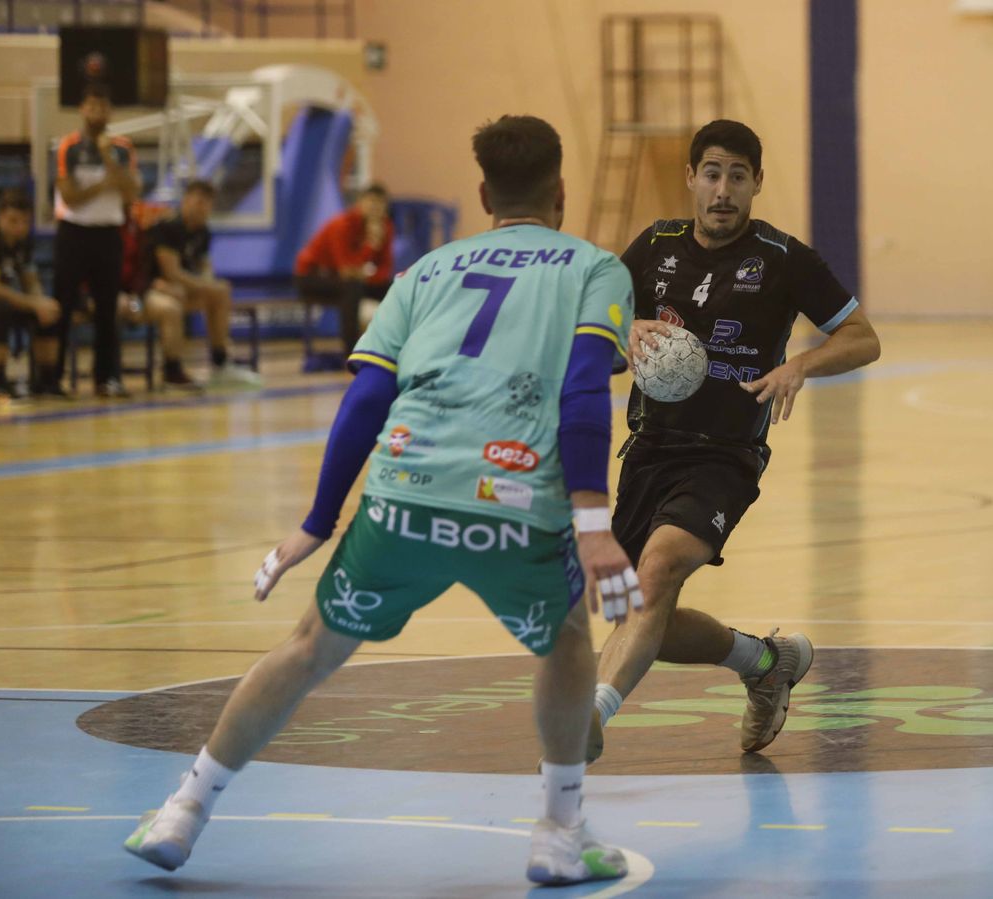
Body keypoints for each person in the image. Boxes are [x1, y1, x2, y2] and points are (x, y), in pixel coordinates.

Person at [123, 114, 641, 887]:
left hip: (402, 495)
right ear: (561, 191)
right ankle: (559, 834)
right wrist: (594, 525)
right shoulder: (597, 269)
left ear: (482, 194)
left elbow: (367, 396)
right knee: (567, 636)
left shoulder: (425, 271)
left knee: (307, 648)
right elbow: (580, 394)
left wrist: (315, 522)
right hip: (514, 506)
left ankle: (183, 810)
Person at [587, 120, 882, 762]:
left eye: (739, 177)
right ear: (692, 177)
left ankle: (591, 718)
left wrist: (799, 365)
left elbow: (863, 336)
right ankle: (766, 662)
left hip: (724, 455)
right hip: (648, 450)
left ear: (756, 184)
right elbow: (595, 326)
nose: (724, 190)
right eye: (713, 174)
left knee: (657, 571)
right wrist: (623, 327)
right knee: (638, 613)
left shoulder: (783, 259)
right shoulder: (654, 246)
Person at [53, 81, 139, 398]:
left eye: (102, 106)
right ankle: (52, 378)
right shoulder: (69, 147)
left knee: (107, 310)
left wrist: (108, 159)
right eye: (91, 106)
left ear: (110, 111)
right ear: (81, 110)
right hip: (74, 233)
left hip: (108, 234)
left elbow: (131, 192)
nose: (97, 111)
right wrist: (105, 185)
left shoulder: (122, 148)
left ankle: (107, 378)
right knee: (63, 305)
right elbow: (70, 196)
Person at [141, 180, 261, 388]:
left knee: (220, 293)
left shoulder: (203, 231)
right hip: (151, 287)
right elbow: (172, 273)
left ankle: (220, 362)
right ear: (185, 201)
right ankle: (172, 369)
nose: (202, 207)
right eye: (198, 202)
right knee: (176, 302)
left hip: (180, 290)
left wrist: (210, 285)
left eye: (206, 203)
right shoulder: (168, 227)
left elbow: (205, 268)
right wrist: (206, 285)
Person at [0, 190, 61, 401]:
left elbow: (30, 282)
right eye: (13, 221)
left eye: (24, 222)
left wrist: (41, 303)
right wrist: (32, 303)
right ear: (0, 217)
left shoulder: (24, 244)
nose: (19, 227)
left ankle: (46, 382)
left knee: (48, 310)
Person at [294, 184, 394, 359]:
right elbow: (346, 270)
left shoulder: (386, 227)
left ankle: (397, 346)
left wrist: (370, 276)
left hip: (354, 279)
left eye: (380, 204)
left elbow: (384, 268)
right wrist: (370, 245)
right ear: (359, 203)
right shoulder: (342, 225)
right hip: (311, 277)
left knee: (395, 288)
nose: (375, 209)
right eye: (371, 203)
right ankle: (352, 352)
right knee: (352, 289)